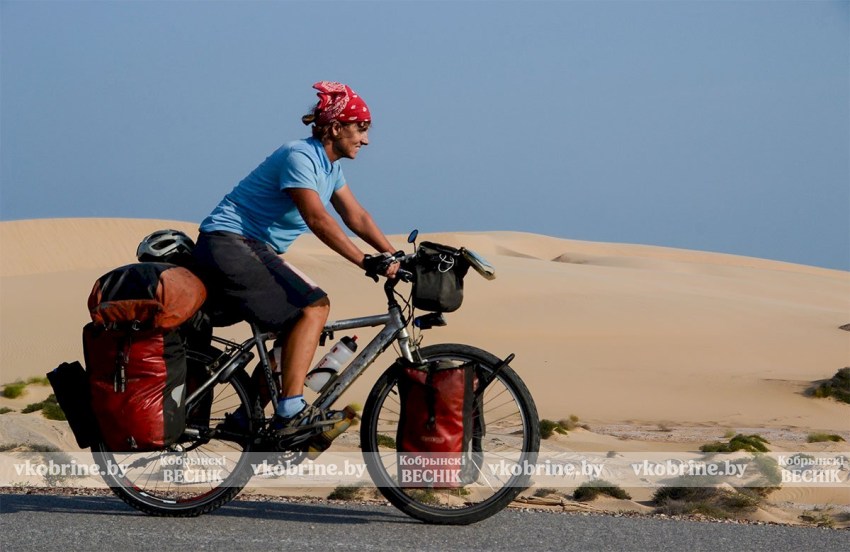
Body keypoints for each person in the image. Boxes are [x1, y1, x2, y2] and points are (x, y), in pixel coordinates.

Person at [192, 81, 399, 431]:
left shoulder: (330, 167)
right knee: (314, 306)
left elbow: (356, 216)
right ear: (335, 128)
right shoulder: (299, 156)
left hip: (251, 246)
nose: (365, 140)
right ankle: (290, 409)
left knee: (297, 325)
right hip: (229, 242)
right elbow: (317, 218)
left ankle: (249, 416)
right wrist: (365, 261)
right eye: (360, 129)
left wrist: (394, 255)